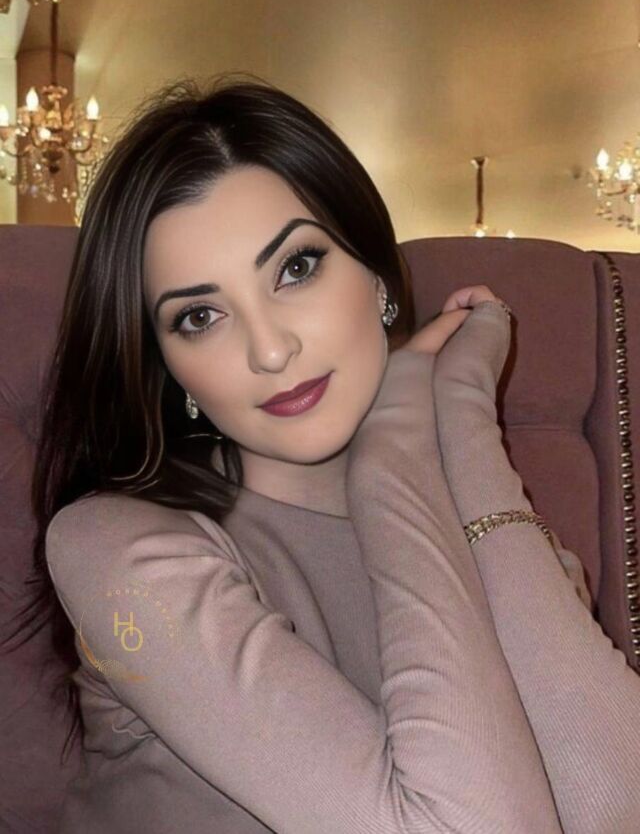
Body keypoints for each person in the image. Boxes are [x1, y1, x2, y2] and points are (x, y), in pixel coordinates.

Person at [13, 72, 639, 833]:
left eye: (296, 268)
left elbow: (618, 803)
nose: (271, 350)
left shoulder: (480, 522)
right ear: (167, 367)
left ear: (375, 275)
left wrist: (459, 420)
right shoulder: (117, 550)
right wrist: (399, 441)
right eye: (200, 316)